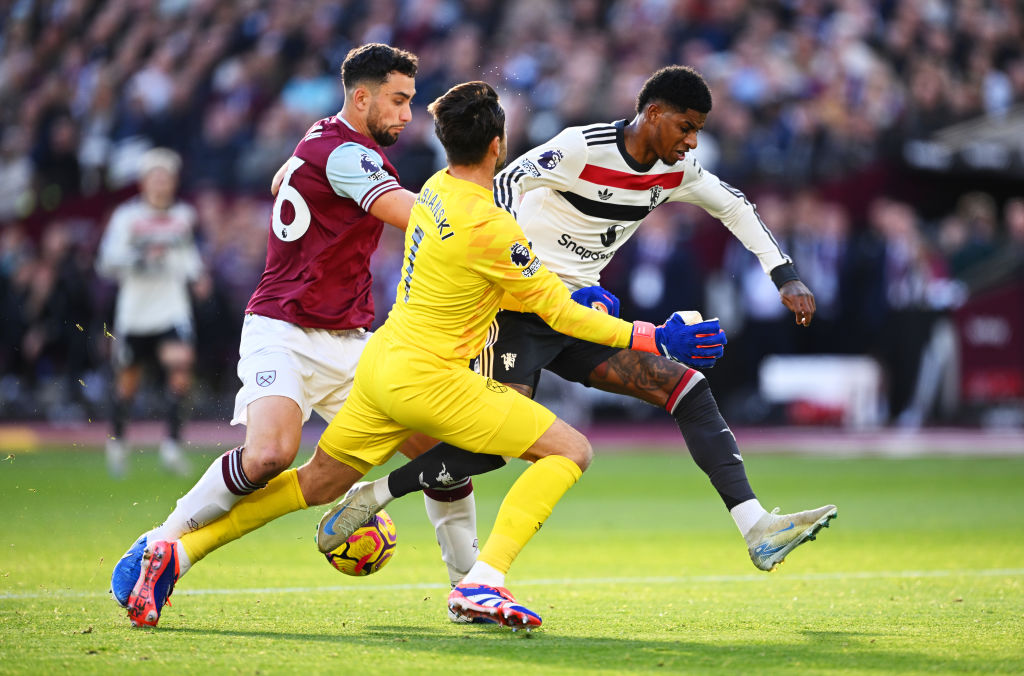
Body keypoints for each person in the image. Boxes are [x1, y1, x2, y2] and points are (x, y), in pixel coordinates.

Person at [125, 80, 720, 630]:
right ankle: (481, 581)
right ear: (498, 144)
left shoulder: (433, 191)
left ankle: (177, 549)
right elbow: (559, 317)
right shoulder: (493, 228)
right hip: (430, 379)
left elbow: (524, 284)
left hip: (382, 363)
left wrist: (565, 290)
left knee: (316, 483)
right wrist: (653, 337)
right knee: (569, 450)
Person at [323, 66, 837, 576]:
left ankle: (756, 529)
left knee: (688, 389)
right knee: (495, 447)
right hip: (516, 311)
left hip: (579, 317)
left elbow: (736, 207)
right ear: (653, 113)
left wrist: (784, 273)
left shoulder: (676, 172)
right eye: (686, 126)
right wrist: (521, 268)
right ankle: (377, 495)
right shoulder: (579, 148)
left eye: (699, 129)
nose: (692, 141)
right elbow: (504, 185)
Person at [108, 43, 474, 626]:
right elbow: (417, 217)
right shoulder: (349, 156)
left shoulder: (327, 138)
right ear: (362, 97)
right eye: (400, 100)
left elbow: (315, 166)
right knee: (271, 454)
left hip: (351, 343)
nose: (409, 114)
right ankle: (162, 542)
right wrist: (486, 218)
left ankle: (470, 588)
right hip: (283, 327)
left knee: (440, 454)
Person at [96, 147, 203, 478]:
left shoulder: (184, 216)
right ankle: (117, 444)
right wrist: (142, 257)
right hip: (136, 312)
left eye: (167, 177)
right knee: (127, 383)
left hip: (172, 308)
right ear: (144, 182)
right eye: (155, 177)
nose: (161, 184)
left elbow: (188, 256)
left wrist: (198, 275)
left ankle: (171, 446)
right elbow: (106, 262)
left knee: (181, 368)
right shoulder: (126, 217)